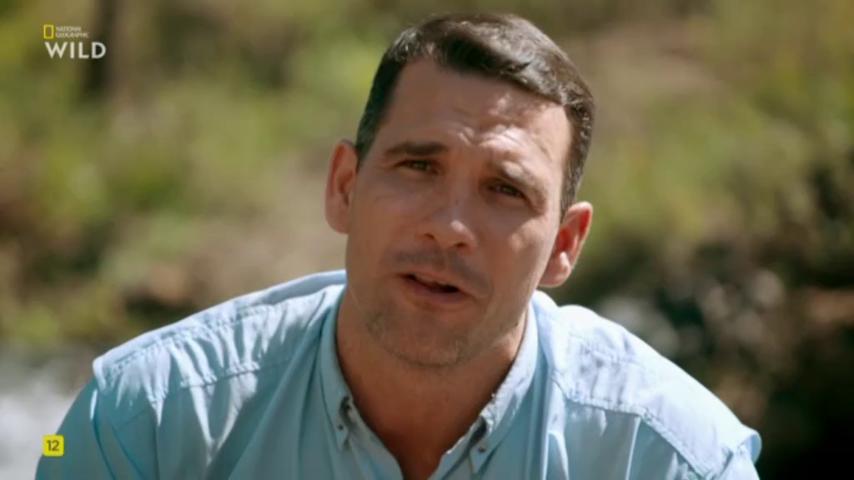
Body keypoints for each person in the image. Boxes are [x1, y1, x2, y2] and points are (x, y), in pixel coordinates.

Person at [37, 12, 761, 480]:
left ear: (564, 245)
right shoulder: (145, 422)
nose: (449, 225)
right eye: (418, 167)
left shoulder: (673, 459)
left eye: (505, 190)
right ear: (345, 187)